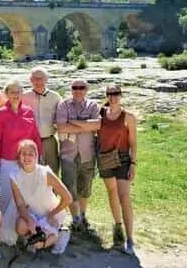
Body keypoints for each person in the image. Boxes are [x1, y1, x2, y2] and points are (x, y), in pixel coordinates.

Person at [0, 80, 41, 244]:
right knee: (6, 196)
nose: (15, 95)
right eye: (12, 92)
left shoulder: (28, 111)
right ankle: (5, 232)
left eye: (18, 91)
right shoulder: (0, 113)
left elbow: (35, 135)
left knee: (26, 197)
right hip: (8, 160)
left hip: (27, 161)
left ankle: (25, 229)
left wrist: (38, 155)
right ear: (6, 94)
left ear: (22, 94)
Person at [56, 79, 101, 235]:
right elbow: (61, 127)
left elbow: (97, 125)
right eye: (75, 87)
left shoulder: (93, 106)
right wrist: (85, 126)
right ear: (71, 89)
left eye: (81, 88)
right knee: (69, 187)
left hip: (87, 154)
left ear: (86, 89)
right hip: (68, 154)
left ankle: (82, 215)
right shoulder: (63, 105)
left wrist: (73, 122)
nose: (78, 90)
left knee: (85, 187)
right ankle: (75, 218)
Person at [10, 140, 72, 254]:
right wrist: (29, 220)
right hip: (32, 213)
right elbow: (19, 204)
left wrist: (51, 214)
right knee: (20, 226)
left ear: (36, 156)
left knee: (40, 246)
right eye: (23, 154)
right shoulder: (14, 176)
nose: (27, 157)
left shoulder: (45, 173)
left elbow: (68, 198)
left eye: (30, 154)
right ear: (19, 156)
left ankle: (60, 234)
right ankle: (36, 237)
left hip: (50, 213)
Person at [97, 85, 137, 256]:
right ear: (106, 96)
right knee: (112, 193)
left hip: (122, 159)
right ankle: (118, 229)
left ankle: (130, 238)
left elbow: (133, 142)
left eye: (116, 94)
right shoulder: (100, 114)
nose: (113, 97)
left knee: (124, 197)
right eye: (110, 94)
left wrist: (134, 163)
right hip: (106, 158)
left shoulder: (128, 117)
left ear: (121, 96)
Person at [22, 66, 62, 175]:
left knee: (52, 171)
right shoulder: (24, 97)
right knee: (30, 170)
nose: (38, 81)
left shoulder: (55, 97)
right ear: (31, 80)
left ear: (46, 79)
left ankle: (52, 192)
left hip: (49, 140)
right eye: (35, 78)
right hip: (29, 141)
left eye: (41, 78)